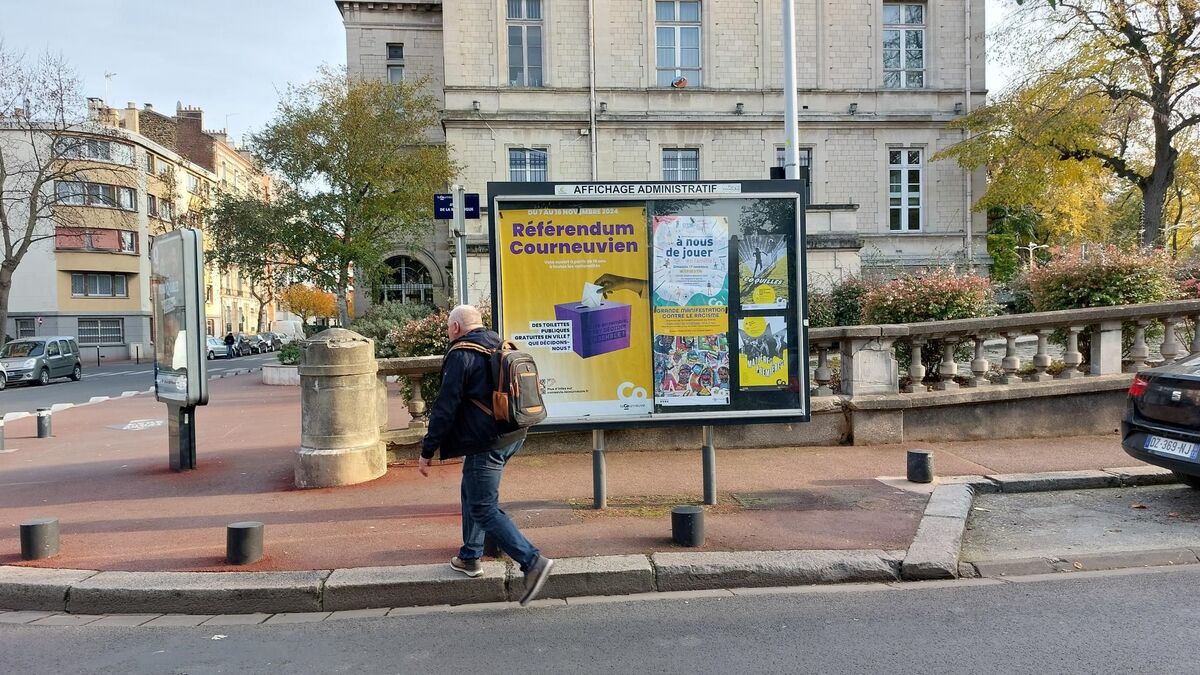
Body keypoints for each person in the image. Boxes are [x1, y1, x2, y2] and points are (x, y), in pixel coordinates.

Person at [418, 304, 554, 606]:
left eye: (448, 328)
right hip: (513, 434)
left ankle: (533, 562)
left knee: (482, 507)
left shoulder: (461, 354)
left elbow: (445, 407)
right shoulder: (498, 343)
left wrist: (428, 450)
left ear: (455, 327)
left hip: (486, 442)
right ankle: (469, 556)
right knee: (471, 491)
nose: (448, 333)